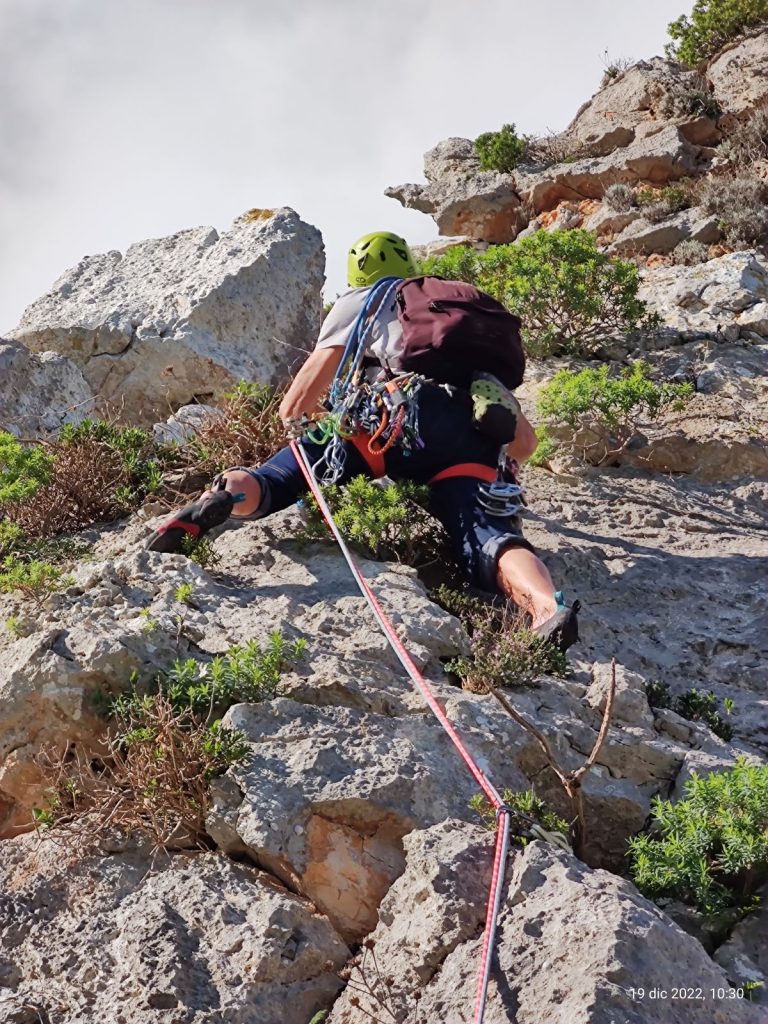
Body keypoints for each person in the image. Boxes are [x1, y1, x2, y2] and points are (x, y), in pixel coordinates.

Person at [147, 231, 579, 650]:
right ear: (411, 266)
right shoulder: (453, 314)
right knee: (486, 536)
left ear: (357, 274)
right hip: (469, 433)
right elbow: (524, 445)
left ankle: (223, 497)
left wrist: (332, 424)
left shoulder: (363, 300)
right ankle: (544, 609)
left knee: (277, 478)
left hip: (387, 419)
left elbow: (295, 406)